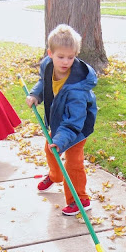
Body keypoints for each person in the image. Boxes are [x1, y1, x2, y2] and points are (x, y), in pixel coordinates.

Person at [25, 24, 98, 216]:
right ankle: (55, 176)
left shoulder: (77, 88)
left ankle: (79, 200)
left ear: (76, 54)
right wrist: (35, 95)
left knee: (73, 162)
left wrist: (61, 140)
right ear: (50, 53)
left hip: (78, 127)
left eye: (70, 57)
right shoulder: (48, 66)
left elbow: (74, 121)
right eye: (61, 57)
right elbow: (44, 83)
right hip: (58, 120)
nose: (66, 62)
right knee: (50, 151)